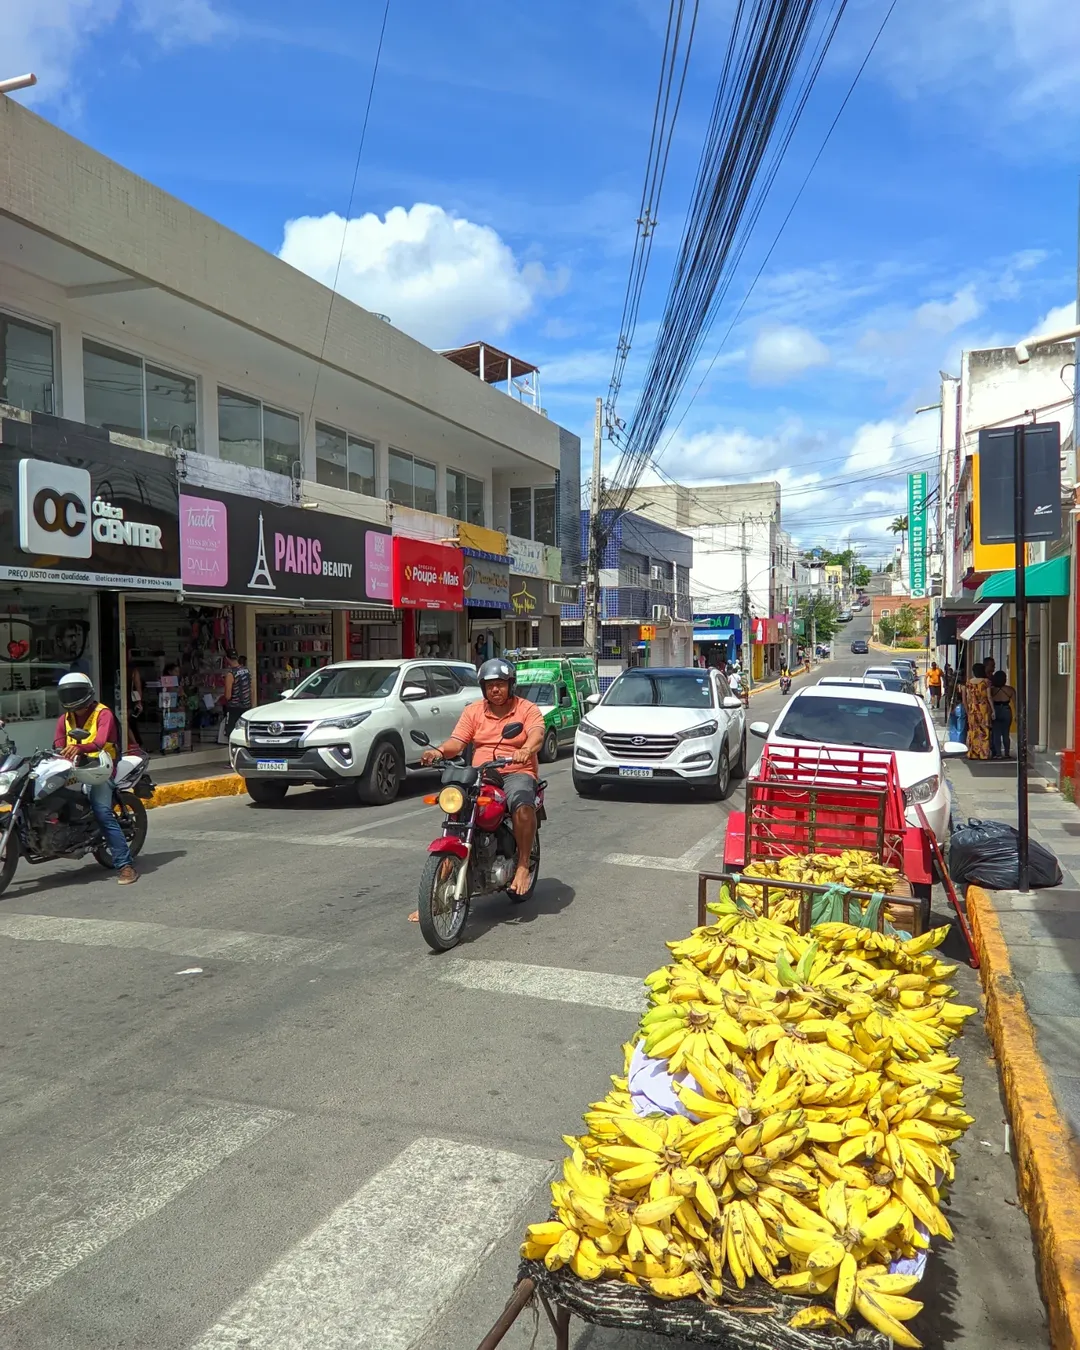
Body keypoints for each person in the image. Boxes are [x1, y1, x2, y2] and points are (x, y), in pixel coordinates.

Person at [410, 658, 545, 919]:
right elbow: (456, 743)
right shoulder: (473, 711)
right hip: (482, 774)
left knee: (522, 803)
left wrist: (526, 750)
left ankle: (521, 865)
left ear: (510, 685)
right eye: (490, 685)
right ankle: (434, 898)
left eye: (501, 685)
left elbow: (537, 734)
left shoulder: (526, 709)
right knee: (457, 811)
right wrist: (437, 752)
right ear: (483, 688)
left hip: (516, 771)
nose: (496, 690)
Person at [54, 672, 137, 884]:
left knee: (102, 812)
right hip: (75, 767)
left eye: (76, 692)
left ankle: (125, 865)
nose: (73, 699)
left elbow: (100, 742)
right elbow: (57, 743)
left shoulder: (103, 713)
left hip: (101, 767)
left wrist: (78, 748)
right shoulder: (65, 718)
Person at [962, 661, 992, 761]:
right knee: (984, 731)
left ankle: (973, 753)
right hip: (983, 708)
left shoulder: (969, 682)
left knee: (973, 730)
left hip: (972, 708)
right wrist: (993, 709)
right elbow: (989, 697)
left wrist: (967, 709)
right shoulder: (986, 681)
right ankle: (983, 753)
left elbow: (967, 697)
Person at [221, 648, 252, 737]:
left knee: (231, 732)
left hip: (234, 708)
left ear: (227, 659)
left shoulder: (230, 674)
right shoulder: (247, 671)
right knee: (244, 731)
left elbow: (228, 695)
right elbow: (252, 689)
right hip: (246, 706)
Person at [990, 669, 1016, 759]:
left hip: (995, 710)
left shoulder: (992, 690)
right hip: (1006, 710)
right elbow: (1015, 703)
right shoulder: (1010, 690)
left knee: (996, 733)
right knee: (1006, 733)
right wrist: (1016, 714)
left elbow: (988, 700)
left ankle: (998, 753)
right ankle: (1007, 753)